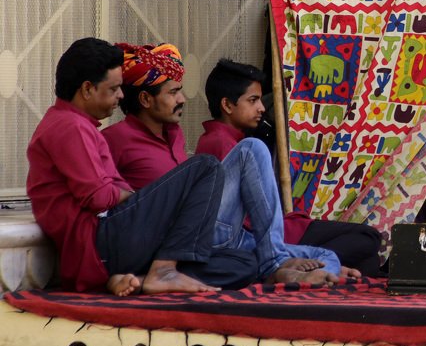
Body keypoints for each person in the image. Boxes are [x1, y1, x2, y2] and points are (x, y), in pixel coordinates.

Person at [103, 43, 353, 285]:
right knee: (252, 149)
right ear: (146, 99)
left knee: (325, 256)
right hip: (173, 239)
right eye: (173, 92)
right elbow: (108, 204)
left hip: (207, 233)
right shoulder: (115, 138)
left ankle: (290, 270)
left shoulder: (175, 135)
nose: (182, 99)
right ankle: (274, 263)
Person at [26, 38, 257, 295]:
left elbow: (109, 189)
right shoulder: (71, 126)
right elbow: (99, 197)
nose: (121, 95)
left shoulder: (77, 125)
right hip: (99, 242)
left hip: (115, 242)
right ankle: (164, 271)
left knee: (244, 262)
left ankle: (140, 278)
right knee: (207, 166)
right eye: (114, 88)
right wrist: (142, 198)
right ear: (88, 89)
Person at [197, 58, 382, 276]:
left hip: (275, 230)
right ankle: (294, 266)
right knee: (367, 239)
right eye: (253, 100)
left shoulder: (231, 140)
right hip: (261, 237)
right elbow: (241, 216)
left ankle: (322, 271)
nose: (261, 108)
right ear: (227, 105)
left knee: (366, 255)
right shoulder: (227, 145)